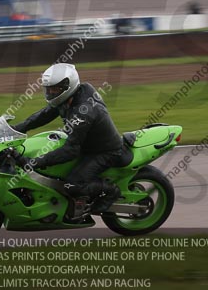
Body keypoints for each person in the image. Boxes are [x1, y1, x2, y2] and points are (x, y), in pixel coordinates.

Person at [10, 63, 126, 220]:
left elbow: (70, 151)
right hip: (86, 144)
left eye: (54, 89)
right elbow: (44, 114)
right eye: (48, 89)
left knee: (71, 185)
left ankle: (111, 191)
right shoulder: (70, 97)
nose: (50, 92)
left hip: (105, 151)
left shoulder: (83, 112)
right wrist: (15, 129)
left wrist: (33, 162)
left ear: (67, 86)